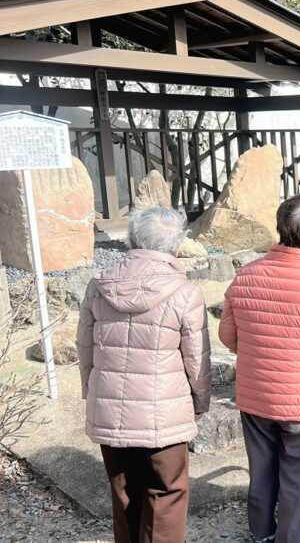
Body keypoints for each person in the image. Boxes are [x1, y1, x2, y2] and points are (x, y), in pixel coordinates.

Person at [219, 193, 300, 543]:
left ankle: (261, 533)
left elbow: (228, 336)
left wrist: (259, 351)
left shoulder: (246, 275)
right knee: (299, 477)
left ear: (280, 227)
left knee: (261, 469)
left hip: (255, 393)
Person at [77, 206, 211, 543]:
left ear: (132, 239)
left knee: (124, 492)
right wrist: (199, 403)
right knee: (167, 493)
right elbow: (197, 360)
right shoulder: (185, 292)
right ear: (176, 244)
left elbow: (85, 348)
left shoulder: (99, 285)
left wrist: (92, 394)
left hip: (110, 410)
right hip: (164, 414)